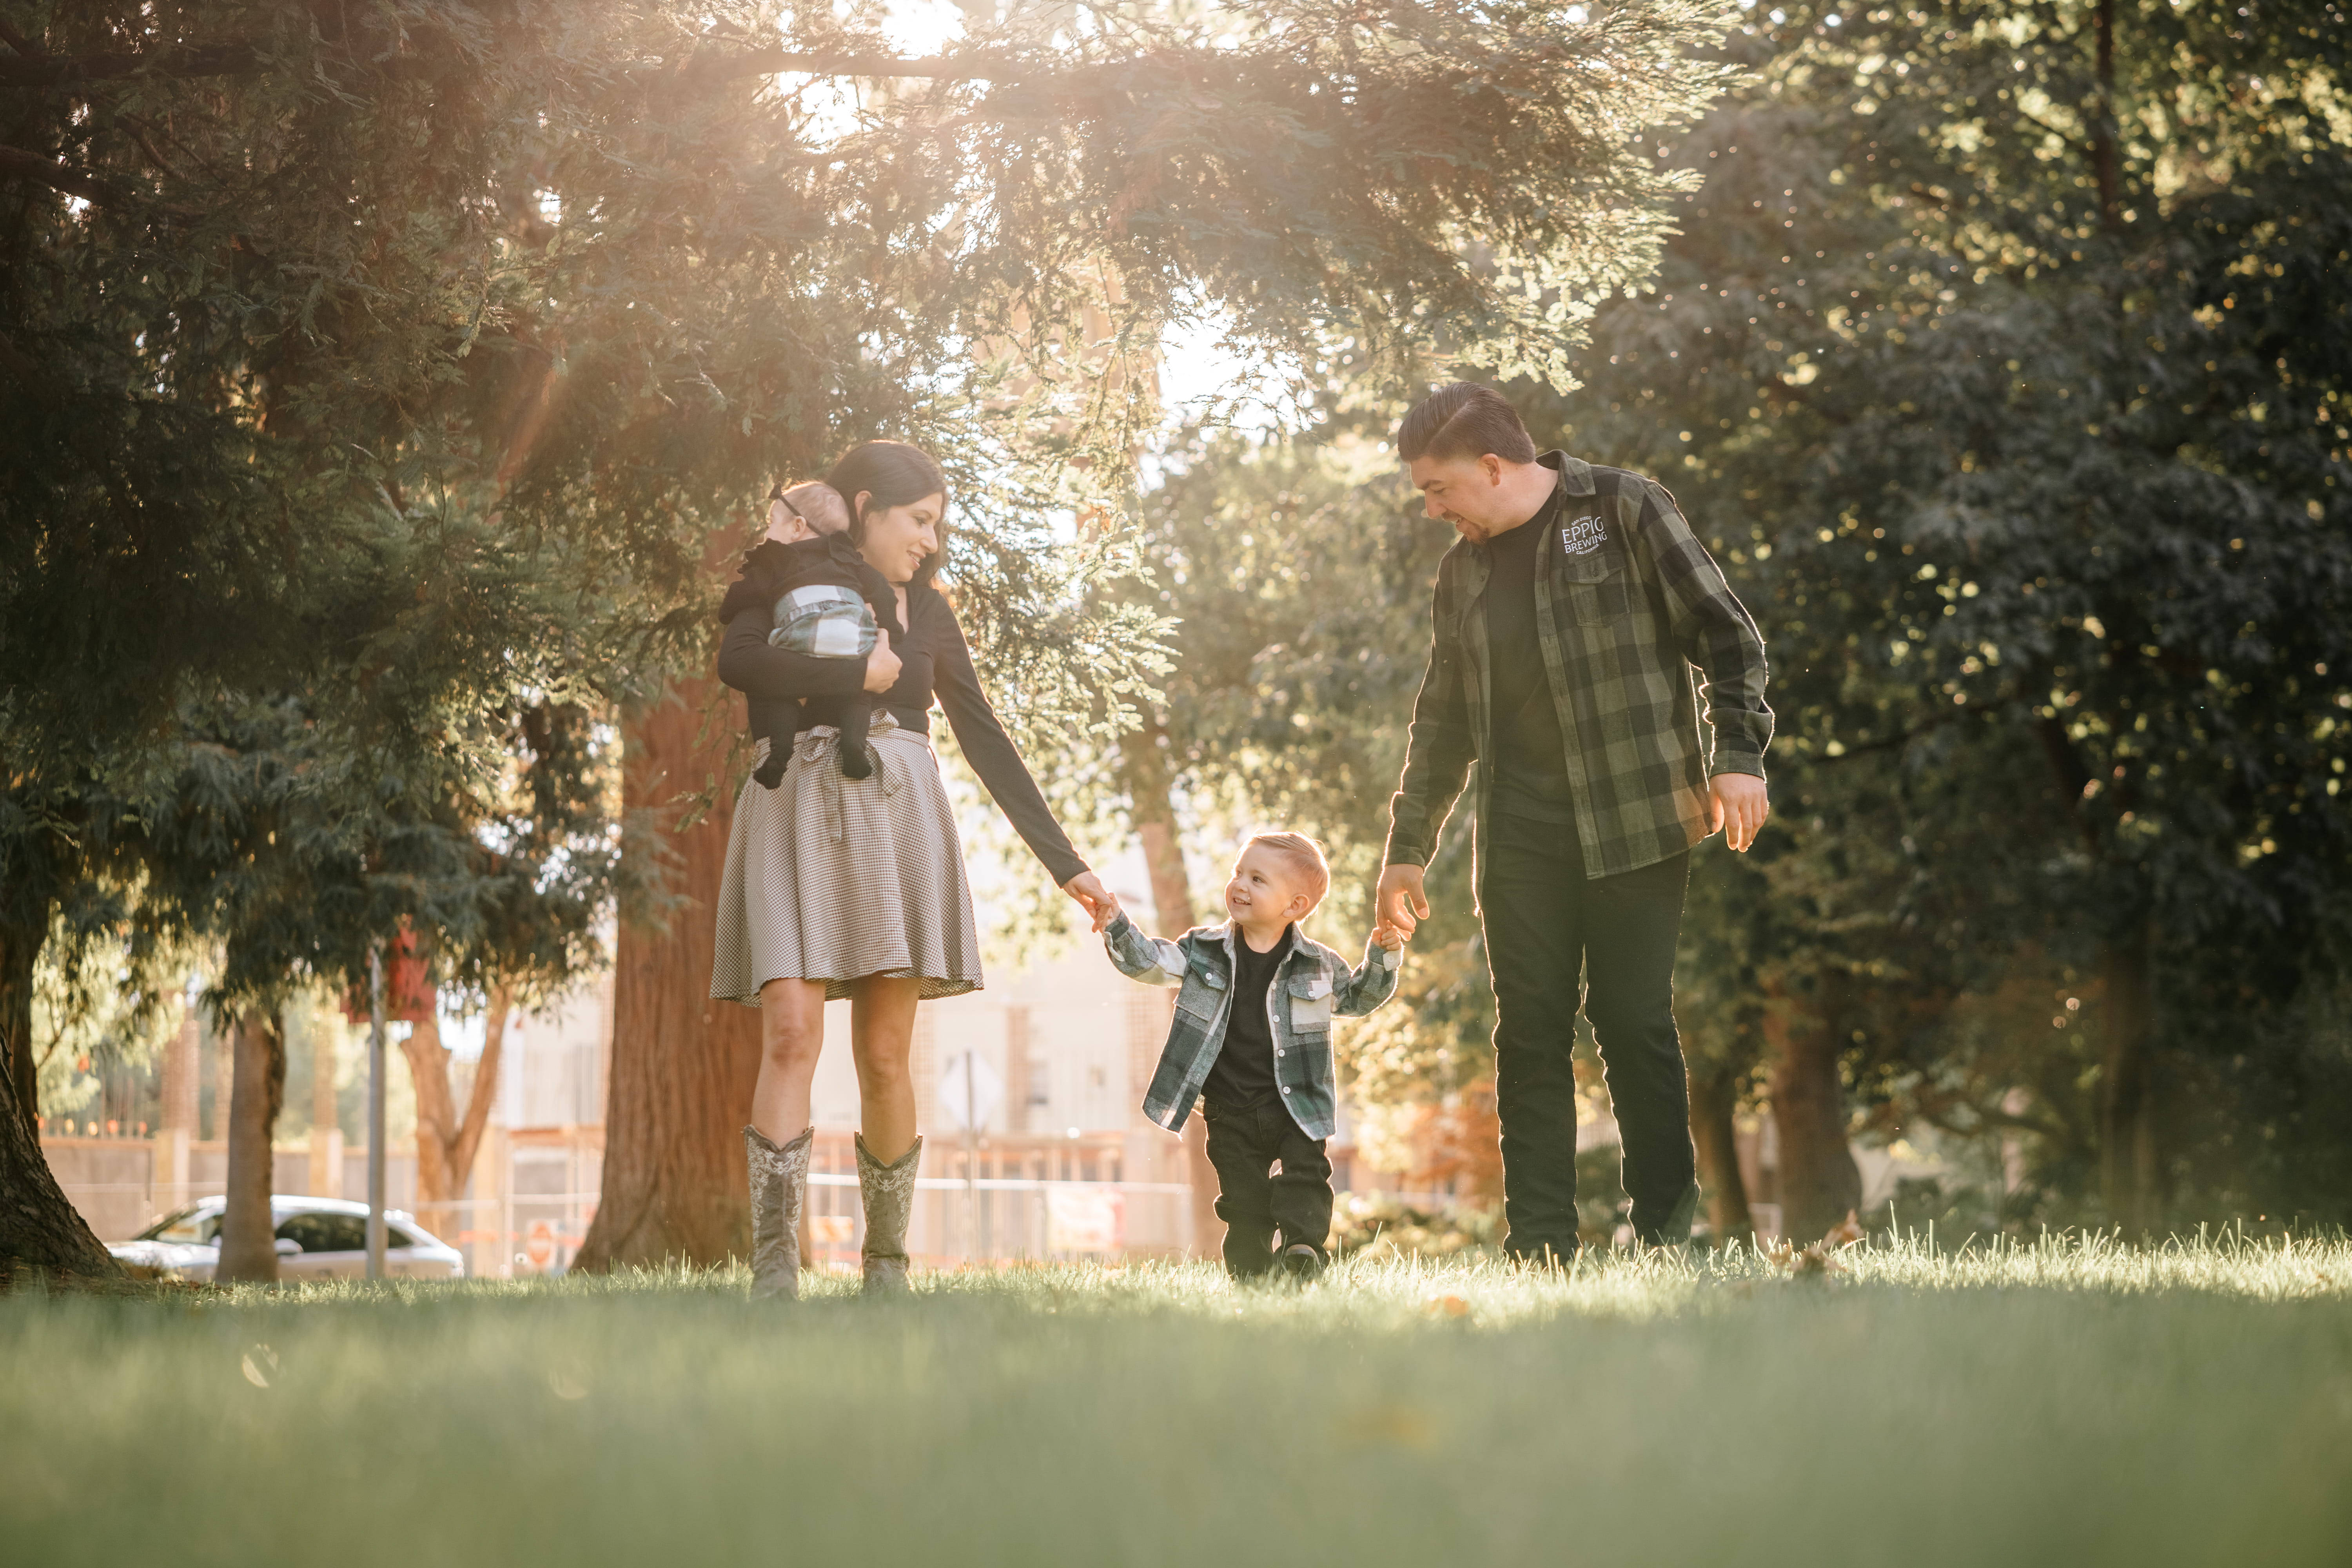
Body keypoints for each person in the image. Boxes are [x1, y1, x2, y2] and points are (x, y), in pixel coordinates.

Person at [1372, 383, 1772, 1263]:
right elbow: (1439, 721)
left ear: (1490, 466)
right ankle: (1541, 1246)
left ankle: (1666, 1236)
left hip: (1637, 814)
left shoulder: (1626, 507)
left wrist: (1737, 754)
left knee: (1633, 1023)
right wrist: (1408, 850)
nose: (1434, 510)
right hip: (1517, 833)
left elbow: (1727, 633)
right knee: (1529, 1032)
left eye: (1437, 489)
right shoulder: (1461, 573)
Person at [711, 440, 1119, 1300]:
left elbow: (981, 734)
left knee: (888, 1054)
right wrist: (854, 669)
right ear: (866, 507)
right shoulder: (780, 574)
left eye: (940, 524)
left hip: (896, 816)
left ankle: (887, 1269)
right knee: (790, 1029)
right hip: (792, 805)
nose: (932, 540)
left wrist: (1066, 866)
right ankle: (774, 1274)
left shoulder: (929, 609)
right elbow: (744, 663)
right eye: (920, 520)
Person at [1102, 832, 1404, 1279]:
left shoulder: (1318, 964)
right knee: (1243, 1201)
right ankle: (1252, 1273)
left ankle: (1303, 1250)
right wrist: (1116, 923)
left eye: (1258, 879)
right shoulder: (1202, 950)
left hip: (1297, 1102)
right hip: (1230, 1109)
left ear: (1294, 906)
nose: (1240, 884)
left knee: (1306, 1176)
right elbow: (1151, 961)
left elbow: (1358, 997)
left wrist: (1384, 955)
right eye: (1238, 872)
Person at [721, 480, 903, 788]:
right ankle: (854, 747)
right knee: (859, 694)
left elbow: (748, 591)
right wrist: (891, 629)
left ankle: (780, 752)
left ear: (797, 527)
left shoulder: (776, 560)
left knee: (780, 689)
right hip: (850, 637)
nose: (766, 534)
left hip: (800, 636)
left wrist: (728, 609)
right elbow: (882, 592)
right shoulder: (850, 561)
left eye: (770, 523)